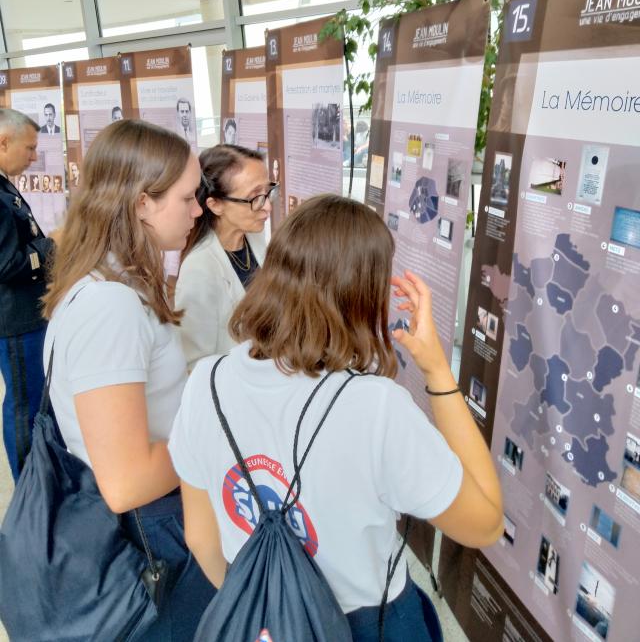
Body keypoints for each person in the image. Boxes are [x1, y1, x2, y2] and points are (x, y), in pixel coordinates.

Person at [169, 195, 503, 641]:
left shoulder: (206, 383)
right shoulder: (376, 407)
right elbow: (485, 523)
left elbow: (202, 540)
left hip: (251, 615)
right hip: (368, 624)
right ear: (364, 295)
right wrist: (438, 371)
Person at [42, 119, 215, 640]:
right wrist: (219, 435)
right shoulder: (109, 307)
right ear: (142, 203)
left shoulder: (110, 285)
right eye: (187, 197)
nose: (198, 209)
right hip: (150, 531)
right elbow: (126, 482)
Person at [175, 144, 276, 370]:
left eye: (268, 192)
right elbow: (194, 364)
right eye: (255, 198)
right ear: (216, 204)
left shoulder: (255, 239)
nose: (267, 206)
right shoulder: (200, 269)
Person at [0, 108, 55, 481]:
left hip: (27, 315)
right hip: (16, 320)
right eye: (29, 148)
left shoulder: (5, 186)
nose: (34, 157)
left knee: (34, 402)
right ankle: (28, 489)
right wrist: (50, 248)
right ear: (3, 142)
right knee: (24, 404)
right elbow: (6, 264)